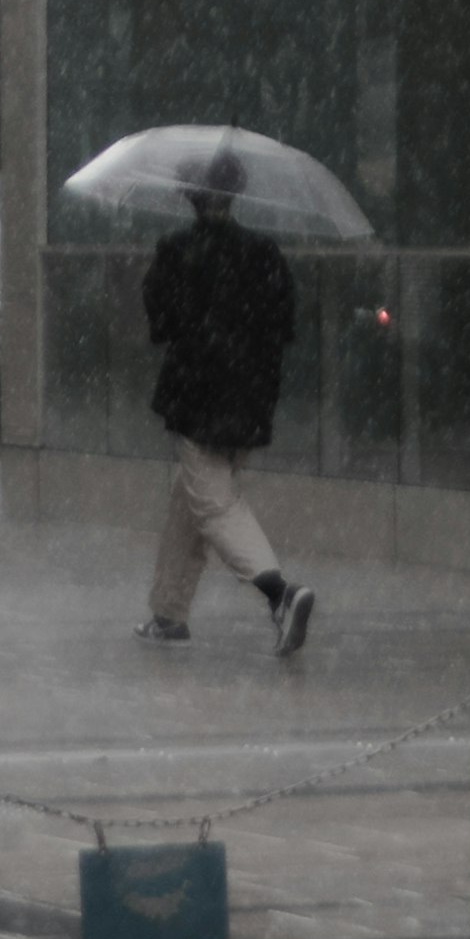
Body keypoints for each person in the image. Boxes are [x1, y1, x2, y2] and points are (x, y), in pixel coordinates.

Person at [138, 149, 312, 654]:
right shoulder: (265, 253)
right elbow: (284, 327)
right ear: (236, 193)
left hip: (197, 399)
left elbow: (160, 327)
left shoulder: (177, 250)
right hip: (250, 399)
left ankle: (280, 594)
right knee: (189, 499)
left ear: (191, 197)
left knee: (214, 504)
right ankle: (168, 613)